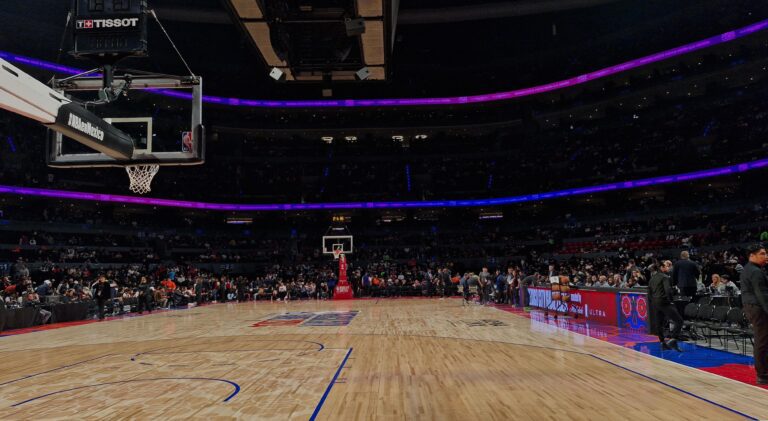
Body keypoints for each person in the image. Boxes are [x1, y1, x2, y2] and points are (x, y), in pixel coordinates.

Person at [739, 244, 768, 384]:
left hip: (751, 306)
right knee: (762, 341)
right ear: (752, 255)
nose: (766, 256)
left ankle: (763, 371)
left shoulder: (747, 269)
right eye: (762, 253)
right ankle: (763, 374)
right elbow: (761, 294)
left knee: (762, 340)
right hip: (758, 308)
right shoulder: (756, 271)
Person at [649, 260, 683, 352]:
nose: (667, 268)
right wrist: (671, 300)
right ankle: (673, 340)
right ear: (661, 268)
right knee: (679, 321)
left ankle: (662, 343)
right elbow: (668, 290)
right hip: (664, 302)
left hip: (655, 303)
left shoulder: (652, 278)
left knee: (659, 324)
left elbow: (649, 292)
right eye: (665, 266)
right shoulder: (665, 277)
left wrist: (654, 301)